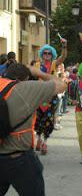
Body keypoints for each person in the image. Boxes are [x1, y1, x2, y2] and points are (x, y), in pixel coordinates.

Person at [0, 63, 66, 196]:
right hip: (19, 159)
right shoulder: (26, 88)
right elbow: (61, 85)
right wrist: (39, 73)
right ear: (25, 78)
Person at [35, 41, 67, 154]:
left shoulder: (54, 64)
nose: (47, 55)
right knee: (38, 119)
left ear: (52, 55)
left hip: (51, 95)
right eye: (45, 53)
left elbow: (63, 57)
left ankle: (45, 143)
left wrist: (64, 46)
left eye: (49, 53)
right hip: (39, 95)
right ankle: (38, 139)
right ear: (42, 54)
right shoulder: (37, 65)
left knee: (48, 120)